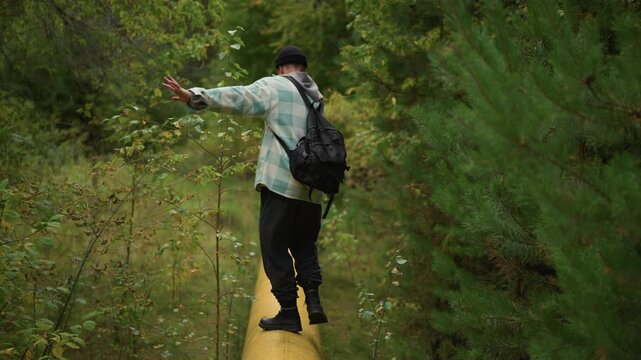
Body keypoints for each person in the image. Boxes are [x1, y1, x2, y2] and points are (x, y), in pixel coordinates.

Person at [163, 45, 328, 333]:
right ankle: (313, 301)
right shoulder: (316, 95)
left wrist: (195, 96)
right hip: (312, 191)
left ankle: (289, 312)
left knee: (274, 246)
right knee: (303, 243)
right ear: (303, 67)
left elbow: (239, 97)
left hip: (281, 184)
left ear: (280, 69)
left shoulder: (276, 86)